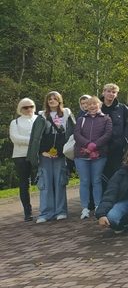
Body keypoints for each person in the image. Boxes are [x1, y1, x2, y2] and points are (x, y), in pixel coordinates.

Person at [28, 91, 74, 222]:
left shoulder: (66, 114)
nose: (52, 101)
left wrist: (64, 152)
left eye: (55, 99)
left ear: (59, 100)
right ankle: (45, 213)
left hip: (60, 155)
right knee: (45, 183)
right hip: (45, 155)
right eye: (50, 99)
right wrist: (42, 152)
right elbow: (36, 138)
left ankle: (61, 211)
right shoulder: (41, 116)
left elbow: (71, 134)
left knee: (60, 182)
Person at [73, 96, 113, 220]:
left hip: (99, 154)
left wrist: (95, 145)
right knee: (84, 181)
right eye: (89, 104)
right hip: (81, 154)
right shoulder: (81, 119)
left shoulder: (106, 118)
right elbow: (76, 134)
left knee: (96, 181)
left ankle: (98, 206)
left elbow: (108, 134)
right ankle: (85, 208)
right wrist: (87, 145)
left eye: (94, 104)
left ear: (99, 105)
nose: (92, 106)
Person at [10, 98, 37, 221]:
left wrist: (29, 141)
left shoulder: (38, 119)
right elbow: (15, 138)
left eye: (31, 106)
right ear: (20, 109)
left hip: (38, 154)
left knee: (44, 180)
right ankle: (28, 212)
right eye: (25, 107)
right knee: (24, 183)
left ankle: (48, 208)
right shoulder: (15, 122)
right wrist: (33, 141)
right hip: (20, 156)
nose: (29, 109)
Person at [100, 83, 128, 183]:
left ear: (117, 94)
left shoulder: (123, 109)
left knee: (117, 175)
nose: (111, 94)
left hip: (117, 149)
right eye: (108, 91)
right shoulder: (97, 107)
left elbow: (127, 128)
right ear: (103, 92)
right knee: (101, 175)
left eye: (114, 92)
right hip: (100, 148)